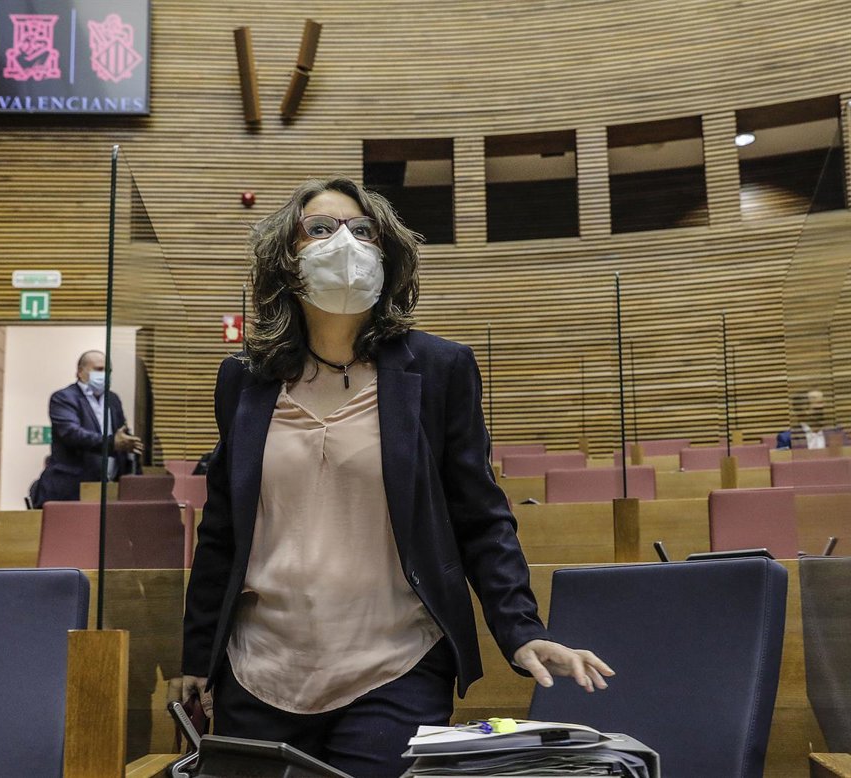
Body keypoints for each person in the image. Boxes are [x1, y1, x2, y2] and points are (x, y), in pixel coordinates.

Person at [179, 178, 613, 776]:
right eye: (321, 229)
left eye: (363, 231)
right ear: (286, 257)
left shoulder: (438, 370)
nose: (346, 243)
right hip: (260, 668)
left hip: (394, 663)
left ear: (387, 257)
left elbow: (480, 516)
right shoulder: (244, 380)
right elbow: (222, 529)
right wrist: (197, 655)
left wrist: (520, 630)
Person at [29, 350, 143, 505]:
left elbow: (122, 436)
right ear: (80, 372)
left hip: (109, 491)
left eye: (108, 371)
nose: (105, 375)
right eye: (99, 369)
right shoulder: (63, 398)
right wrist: (112, 443)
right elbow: (72, 434)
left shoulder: (113, 400)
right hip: (71, 490)